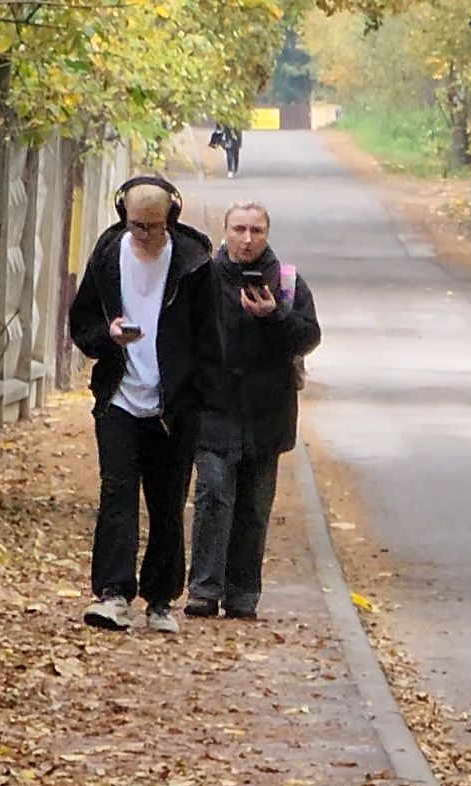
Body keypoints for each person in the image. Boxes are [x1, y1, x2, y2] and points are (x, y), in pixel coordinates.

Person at [68, 176, 224, 634]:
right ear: (123, 216)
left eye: (154, 227)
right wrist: (109, 336)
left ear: (171, 218)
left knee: (167, 502)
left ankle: (160, 599)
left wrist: (201, 398)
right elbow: (82, 323)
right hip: (119, 395)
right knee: (116, 494)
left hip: (174, 406)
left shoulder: (194, 264)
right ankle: (113, 594)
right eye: (136, 225)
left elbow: (210, 337)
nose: (145, 235)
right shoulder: (107, 256)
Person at [185, 201, 322, 620]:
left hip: (267, 415)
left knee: (253, 509)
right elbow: (182, 340)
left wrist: (274, 316)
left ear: (267, 233)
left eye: (256, 231)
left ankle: (243, 594)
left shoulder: (286, 282)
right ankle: (204, 589)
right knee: (212, 496)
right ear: (224, 231)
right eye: (239, 229)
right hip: (212, 411)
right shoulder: (201, 278)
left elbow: (307, 337)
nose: (247, 239)